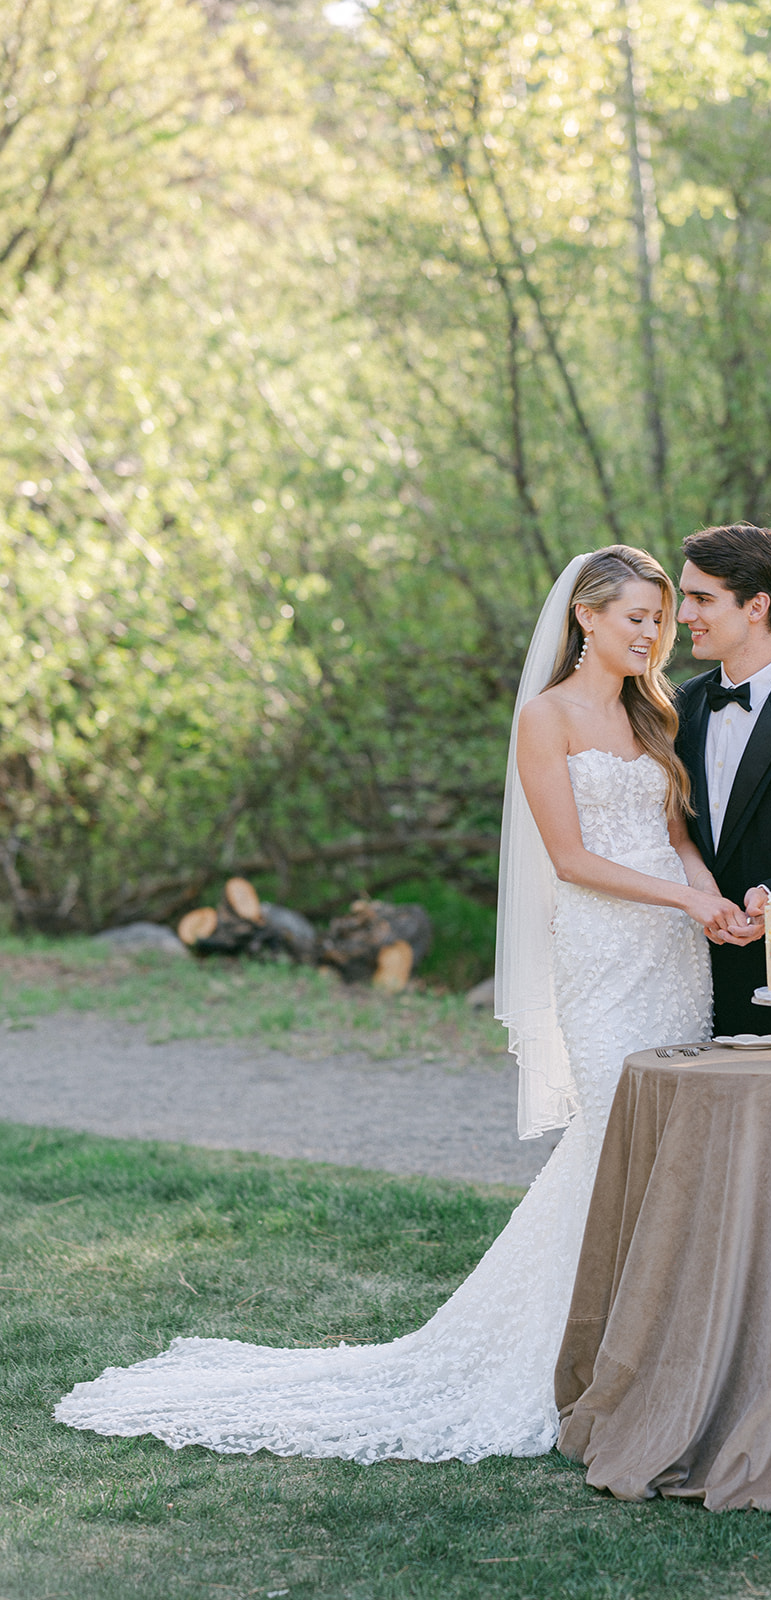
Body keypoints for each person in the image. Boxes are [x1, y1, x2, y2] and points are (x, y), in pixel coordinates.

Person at [55, 545, 721, 1463]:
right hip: (604, 953)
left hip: (674, 955)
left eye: (658, 618)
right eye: (636, 617)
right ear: (586, 618)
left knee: (672, 1144)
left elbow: (674, 836)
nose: (653, 634)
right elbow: (568, 858)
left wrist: (708, 898)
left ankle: (661, 1349)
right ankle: (569, 1359)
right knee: (612, 1135)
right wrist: (683, 898)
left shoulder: (658, 711)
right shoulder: (545, 717)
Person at [675, 522, 771, 1039]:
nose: (685, 615)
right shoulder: (679, 705)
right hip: (686, 969)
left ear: (756, 606)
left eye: (701, 599)